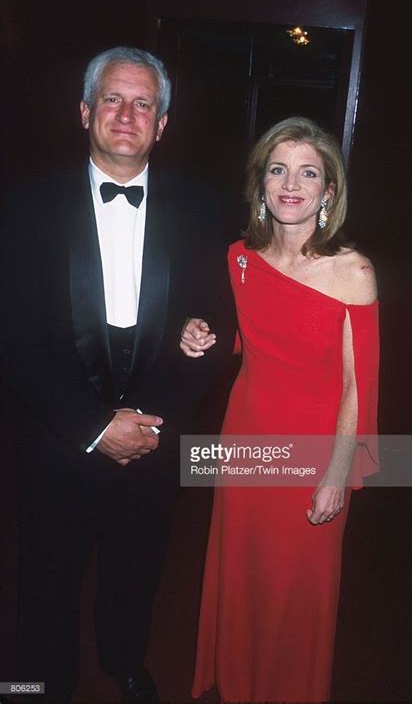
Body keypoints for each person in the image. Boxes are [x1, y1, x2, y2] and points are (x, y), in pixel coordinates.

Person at [0, 46, 232, 703]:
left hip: (155, 434)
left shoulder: (199, 206)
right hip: (60, 432)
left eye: (143, 104)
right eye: (112, 99)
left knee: (138, 567)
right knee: (46, 578)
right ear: (84, 111)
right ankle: (39, 685)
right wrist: (95, 425)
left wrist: (153, 420)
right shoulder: (26, 205)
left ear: (162, 124)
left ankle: (124, 658)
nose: (126, 114)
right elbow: (11, 337)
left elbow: (213, 325)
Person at [182, 117, 379, 702]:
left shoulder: (353, 271)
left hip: (315, 453)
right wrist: (194, 333)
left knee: (297, 588)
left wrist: (337, 477)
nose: (291, 183)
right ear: (260, 184)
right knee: (242, 578)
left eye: (308, 172)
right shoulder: (239, 258)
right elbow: (241, 339)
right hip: (245, 439)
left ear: (329, 192)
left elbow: (357, 385)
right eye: (277, 169)